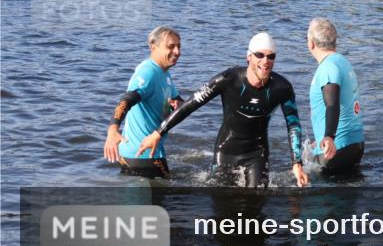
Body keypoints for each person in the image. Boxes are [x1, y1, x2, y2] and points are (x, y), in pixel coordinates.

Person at [137, 33, 307, 188]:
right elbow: (191, 104)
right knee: (220, 205)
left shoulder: (282, 87)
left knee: (257, 201)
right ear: (249, 57)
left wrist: (297, 163)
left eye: (271, 56)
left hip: (257, 153)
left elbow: (293, 124)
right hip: (226, 150)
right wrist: (158, 133)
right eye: (259, 55)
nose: (265, 61)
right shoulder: (228, 79)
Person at [104, 26, 183, 178]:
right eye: (171, 47)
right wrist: (112, 130)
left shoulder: (164, 73)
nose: (177, 52)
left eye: (179, 46)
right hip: (142, 153)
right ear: (153, 47)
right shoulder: (148, 72)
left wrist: (178, 105)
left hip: (148, 150)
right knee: (164, 199)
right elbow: (126, 100)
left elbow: (177, 100)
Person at [307, 18, 364, 177]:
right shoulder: (342, 62)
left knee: (320, 199)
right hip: (354, 144)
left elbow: (332, 104)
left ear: (311, 43)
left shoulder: (328, 67)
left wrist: (328, 137)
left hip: (337, 148)